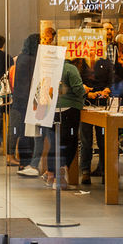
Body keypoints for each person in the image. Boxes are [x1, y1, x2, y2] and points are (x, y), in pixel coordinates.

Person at [42, 51, 85, 189]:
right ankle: (59, 177)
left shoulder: (50, 68)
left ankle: (50, 174)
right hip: (68, 110)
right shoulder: (70, 68)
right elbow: (78, 89)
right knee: (69, 142)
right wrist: (87, 91)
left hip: (50, 110)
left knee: (54, 143)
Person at [9, 33, 40, 172]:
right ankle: (27, 163)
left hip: (19, 99)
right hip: (28, 100)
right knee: (29, 134)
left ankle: (23, 162)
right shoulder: (33, 59)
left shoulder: (21, 57)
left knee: (22, 132)